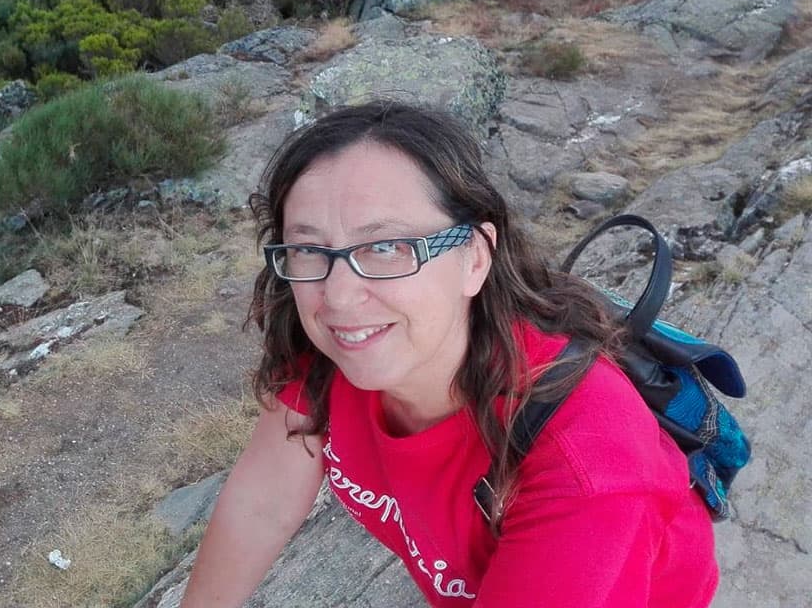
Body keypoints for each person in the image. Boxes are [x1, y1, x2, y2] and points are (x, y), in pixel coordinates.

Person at [179, 100, 717, 608]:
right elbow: (262, 505)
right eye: (309, 250)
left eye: (387, 247)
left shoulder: (587, 465)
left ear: (474, 257)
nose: (339, 299)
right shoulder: (329, 353)